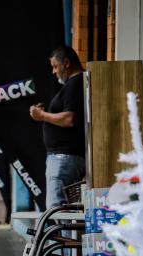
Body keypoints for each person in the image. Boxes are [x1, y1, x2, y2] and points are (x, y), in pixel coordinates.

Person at [30, 45, 86, 208]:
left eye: (55, 66)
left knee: (57, 209)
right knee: (64, 211)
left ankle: (60, 235)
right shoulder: (73, 85)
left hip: (64, 159)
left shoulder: (74, 84)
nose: (53, 72)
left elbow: (69, 118)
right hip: (65, 159)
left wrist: (42, 116)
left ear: (66, 63)